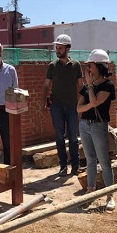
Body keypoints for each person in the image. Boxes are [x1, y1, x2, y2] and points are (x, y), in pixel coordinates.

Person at [77, 49, 116, 211]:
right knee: (90, 160)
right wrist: (89, 103)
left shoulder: (108, 85)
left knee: (104, 162)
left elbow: (95, 101)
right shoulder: (87, 87)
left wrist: (91, 89)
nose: (88, 70)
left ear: (99, 66)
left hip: (99, 125)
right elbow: (79, 108)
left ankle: (110, 195)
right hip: (84, 125)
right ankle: (91, 191)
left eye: (91, 66)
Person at [42, 34, 83, 176]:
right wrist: (43, 102)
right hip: (57, 107)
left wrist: (83, 105)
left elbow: (80, 86)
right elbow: (46, 85)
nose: (57, 50)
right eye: (56, 48)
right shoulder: (52, 66)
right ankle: (63, 166)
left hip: (72, 107)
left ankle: (75, 166)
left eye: (60, 48)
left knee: (73, 137)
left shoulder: (76, 65)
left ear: (68, 48)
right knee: (59, 137)